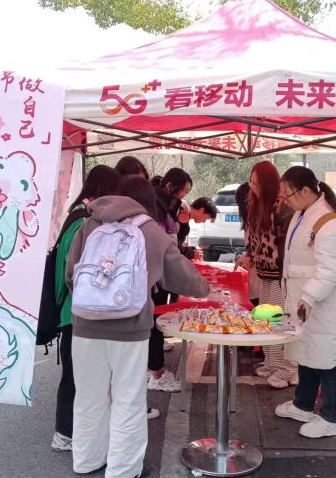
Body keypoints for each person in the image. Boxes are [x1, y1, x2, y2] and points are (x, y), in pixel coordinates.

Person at [66, 175, 209, 477]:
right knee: (128, 400)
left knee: (89, 396)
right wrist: (204, 287)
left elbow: (71, 275)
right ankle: (123, 470)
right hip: (129, 330)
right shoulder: (150, 231)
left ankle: (87, 460)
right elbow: (183, 278)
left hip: (85, 326)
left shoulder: (90, 224)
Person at [274, 166, 336, 439]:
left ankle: (331, 419)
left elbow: (329, 271)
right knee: (308, 355)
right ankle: (303, 405)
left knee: (330, 362)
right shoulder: (303, 214)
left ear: (305, 191)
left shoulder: (330, 223)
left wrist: (308, 297)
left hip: (328, 305)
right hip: (308, 304)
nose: (284, 200)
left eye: (287, 194)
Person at [51, 165, 121, 452]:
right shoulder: (84, 222)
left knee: (79, 374)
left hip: (74, 310)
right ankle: (64, 433)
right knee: (75, 376)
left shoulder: (78, 215)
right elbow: (69, 273)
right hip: (77, 312)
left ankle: (72, 432)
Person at [234, 161, 297, 388]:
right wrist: (249, 255)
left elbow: (290, 243)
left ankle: (288, 370)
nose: (254, 187)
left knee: (279, 323)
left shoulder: (282, 206)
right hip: (264, 274)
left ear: (269, 183)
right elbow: (254, 240)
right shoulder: (256, 204)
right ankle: (272, 363)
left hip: (280, 276)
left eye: (258, 183)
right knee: (267, 321)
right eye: (251, 182)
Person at [148, 167, 193, 391]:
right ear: (169, 186)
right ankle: (156, 373)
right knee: (153, 321)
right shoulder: (156, 206)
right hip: (154, 275)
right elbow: (161, 243)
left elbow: (173, 238)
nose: (183, 196)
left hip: (161, 273)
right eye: (182, 191)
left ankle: (155, 369)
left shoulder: (167, 206)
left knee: (156, 320)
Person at [234, 183, 259, 307]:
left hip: (261, 279)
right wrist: (247, 255)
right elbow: (252, 246)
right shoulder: (249, 219)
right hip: (255, 277)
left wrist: (248, 256)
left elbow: (259, 247)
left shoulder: (260, 218)